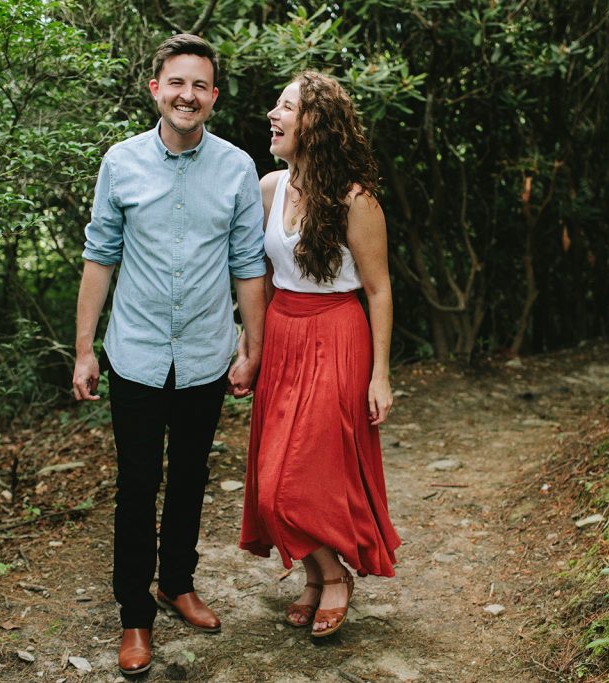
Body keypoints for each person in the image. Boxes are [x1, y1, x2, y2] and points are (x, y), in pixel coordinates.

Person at [72, 34, 267, 675]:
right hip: (136, 353)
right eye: (176, 83)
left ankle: (176, 583)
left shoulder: (237, 168)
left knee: (188, 477)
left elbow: (246, 265)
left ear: (213, 95)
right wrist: (84, 351)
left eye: (200, 85)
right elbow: (100, 257)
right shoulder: (121, 162)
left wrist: (251, 346)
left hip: (208, 354)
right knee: (137, 484)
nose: (188, 95)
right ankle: (135, 616)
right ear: (155, 89)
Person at [238, 71, 401, 638]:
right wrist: (248, 346)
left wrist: (380, 375)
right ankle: (317, 574)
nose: (272, 116)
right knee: (269, 477)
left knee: (304, 477)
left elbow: (378, 289)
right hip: (283, 332)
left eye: (285, 107)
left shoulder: (356, 200)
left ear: (316, 125)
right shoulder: (268, 188)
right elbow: (255, 273)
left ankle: (334, 579)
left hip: (337, 334)